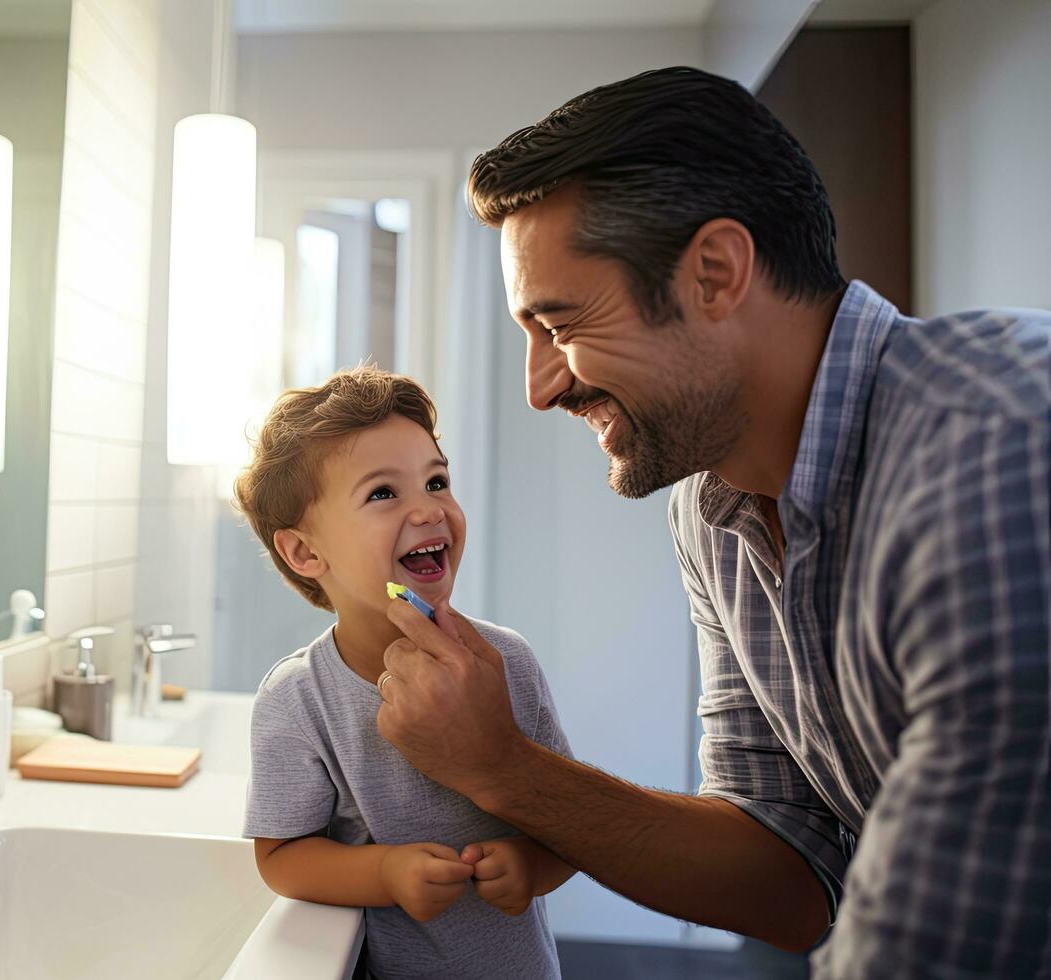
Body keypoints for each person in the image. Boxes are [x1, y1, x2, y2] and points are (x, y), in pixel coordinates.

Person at [376, 65, 1051, 977]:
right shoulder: (714, 506)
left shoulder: (1000, 447)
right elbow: (790, 865)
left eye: (561, 324)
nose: (541, 387)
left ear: (716, 273)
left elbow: (940, 952)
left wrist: (504, 767)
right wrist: (504, 768)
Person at [234, 366, 575, 979]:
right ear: (306, 552)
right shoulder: (298, 700)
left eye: (437, 480)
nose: (428, 510)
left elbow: (571, 823)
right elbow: (282, 857)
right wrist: (384, 873)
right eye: (383, 493)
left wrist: (530, 866)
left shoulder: (508, 664)